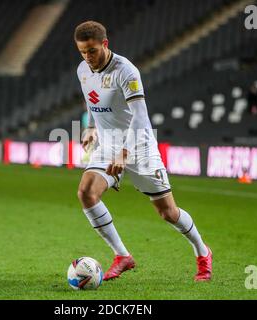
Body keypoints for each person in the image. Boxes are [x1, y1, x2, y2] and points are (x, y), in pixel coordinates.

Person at [74, 21, 212, 282]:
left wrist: (125, 153)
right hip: (108, 145)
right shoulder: (83, 70)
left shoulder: (125, 71)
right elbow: (90, 99)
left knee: (168, 213)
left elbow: (141, 116)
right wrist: (91, 126)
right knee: (86, 192)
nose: (87, 57)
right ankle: (122, 256)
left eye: (91, 51)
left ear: (105, 44)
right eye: (82, 51)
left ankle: (202, 252)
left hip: (139, 146)